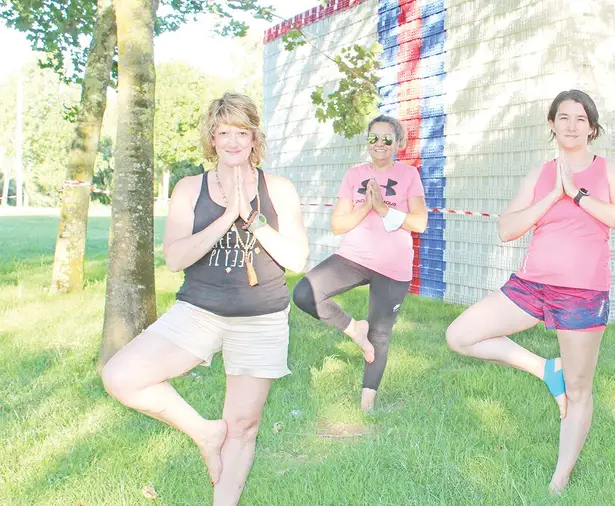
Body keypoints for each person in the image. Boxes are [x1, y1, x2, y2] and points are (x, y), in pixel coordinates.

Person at [101, 92, 309, 506]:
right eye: (223, 132)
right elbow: (176, 258)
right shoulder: (189, 188)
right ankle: (204, 432)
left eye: (242, 133)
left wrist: (251, 220)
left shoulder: (279, 189)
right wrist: (225, 216)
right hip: (198, 311)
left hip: (261, 317)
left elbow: (297, 259)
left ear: (255, 138)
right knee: (121, 376)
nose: (233, 141)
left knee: (244, 423)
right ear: (211, 139)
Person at [445, 89, 615, 493]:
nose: (571, 125)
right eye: (563, 117)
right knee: (459, 335)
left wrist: (579, 196)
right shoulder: (540, 173)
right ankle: (545, 369)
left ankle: (559, 479)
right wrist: (553, 195)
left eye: (580, 119)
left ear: (592, 128)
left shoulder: (608, 170)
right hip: (532, 285)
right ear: (551, 124)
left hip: (582, 292)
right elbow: (506, 228)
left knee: (580, 389)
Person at [292, 115, 427, 413]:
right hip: (354, 257)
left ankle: (367, 403)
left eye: (387, 139)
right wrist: (366, 206)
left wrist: (382, 208)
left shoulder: (409, 175)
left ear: (398, 143)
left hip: (393, 265)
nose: (379, 144)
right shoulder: (354, 174)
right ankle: (355, 330)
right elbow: (338, 225)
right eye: (373, 138)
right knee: (304, 293)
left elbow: (420, 223)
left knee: (381, 332)